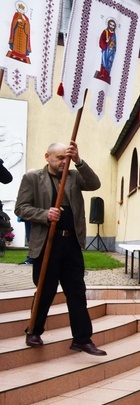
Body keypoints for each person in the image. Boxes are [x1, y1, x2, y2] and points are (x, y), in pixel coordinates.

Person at [15, 142, 106, 355]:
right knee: (45, 290)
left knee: (76, 291)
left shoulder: (74, 176)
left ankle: (82, 339)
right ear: (47, 156)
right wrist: (44, 214)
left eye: (66, 158)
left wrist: (78, 161)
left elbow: (94, 184)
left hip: (71, 243)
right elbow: (21, 207)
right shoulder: (33, 178)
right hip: (47, 243)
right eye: (59, 158)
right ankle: (34, 331)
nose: (63, 162)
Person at [94, 18, 117, 84]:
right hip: (105, 49)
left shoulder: (114, 34)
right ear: (108, 24)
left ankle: (106, 75)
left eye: (113, 25)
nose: (112, 26)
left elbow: (115, 43)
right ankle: (102, 74)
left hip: (111, 51)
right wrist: (105, 42)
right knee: (104, 61)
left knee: (109, 62)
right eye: (111, 24)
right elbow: (101, 40)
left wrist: (113, 48)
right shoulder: (105, 32)